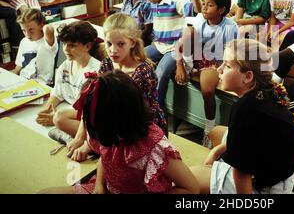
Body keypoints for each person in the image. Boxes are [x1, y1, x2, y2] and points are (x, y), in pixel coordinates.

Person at [40, 70, 200, 194]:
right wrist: (99, 186)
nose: (99, 137)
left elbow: (191, 188)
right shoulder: (109, 135)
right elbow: (105, 158)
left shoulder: (156, 149)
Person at [190, 39, 294, 194]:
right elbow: (252, 138)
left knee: (189, 179)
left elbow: (241, 172)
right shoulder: (271, 91)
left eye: (227, 66)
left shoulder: (244, 108)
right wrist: (217, 151)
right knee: (218, 135)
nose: (219, 69)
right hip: (280, 173)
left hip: (263, 186)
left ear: (248, 77)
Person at [66, 13, 166, 162]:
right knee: (61, 118)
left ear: (132, 43)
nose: (113, 50)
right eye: (109, 44)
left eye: (121, 44)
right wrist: (80, 137)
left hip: (139, 127)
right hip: (114, 121)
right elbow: (93, 103)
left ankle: (100, 148)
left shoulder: (143, 72)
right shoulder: (107, 64)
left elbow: (133, 118)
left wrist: (90, 143)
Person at [175, 0, 239, 148]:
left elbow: (232, 52)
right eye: (203, 4)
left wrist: (222, 68)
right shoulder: (199, 21)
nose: (204, 7)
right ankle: (188, 66)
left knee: (207, 89)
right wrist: (179, 66)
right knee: (188, 30)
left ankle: (209, 128)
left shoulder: (230, 27)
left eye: (209, 5)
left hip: (215, 62)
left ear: (221, 10)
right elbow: (180, 44)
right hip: (195, 59)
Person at [139, 0, 199, 110]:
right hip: (158, 45)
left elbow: (196, 10)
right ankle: (142, 98)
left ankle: (157, 107)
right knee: (135, 57)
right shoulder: (155, 1)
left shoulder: (176, 2)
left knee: (161, 72)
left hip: (174, 49)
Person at [35, 22, 101, 135]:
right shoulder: (64, 66)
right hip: (68, 111)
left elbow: (89, 112)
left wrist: (55, 119)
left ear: (88, 46)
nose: (65, 49)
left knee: (59, 120)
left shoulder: (95, 72)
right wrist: (48, 109)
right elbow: (57, 93)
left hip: (90, 121)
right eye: (64, 44)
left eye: (72, 45)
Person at [12, 8, 58, 85]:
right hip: (23, 82)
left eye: (31, 30)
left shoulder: (48, 41)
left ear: (41, 25)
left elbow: (49, 29)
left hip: (42, 84)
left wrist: (44, 24)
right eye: (23, 30)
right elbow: (18, 67)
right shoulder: (24, 41)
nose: (27, 34)